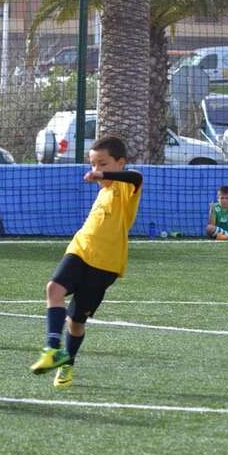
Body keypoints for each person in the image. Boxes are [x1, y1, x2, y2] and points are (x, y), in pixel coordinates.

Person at [29, 136, 143, 388]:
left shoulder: (126, 189)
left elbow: (136, 176)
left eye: (103, 164)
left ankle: (67, 363)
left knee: (77, 322)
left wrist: (102, 176)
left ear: (120, 163)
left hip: (106, 265)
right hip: (80, 250)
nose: (97, 170)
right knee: (53, 289)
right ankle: (51, 348)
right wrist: (102, 176)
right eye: (93, 165)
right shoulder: (103, 191)